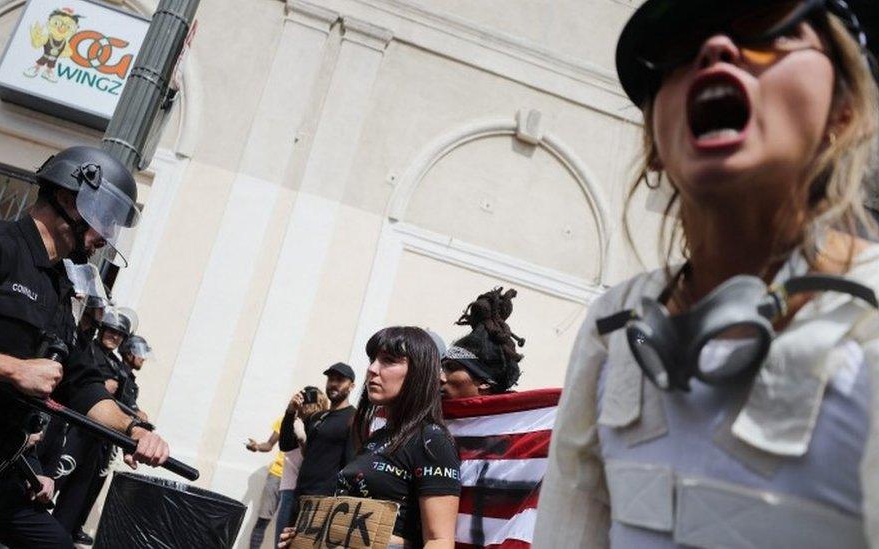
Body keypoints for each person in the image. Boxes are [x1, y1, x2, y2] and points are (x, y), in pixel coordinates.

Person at [536, 1, 879, 547]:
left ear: (843, 110)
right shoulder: (613, 323)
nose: (715, 48)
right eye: (680, 42)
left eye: (766, 26)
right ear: (652, 142)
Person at [0, 145, 170, 548]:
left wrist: (133, 430)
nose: (105, 237)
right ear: (66, 197)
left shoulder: (58, 293)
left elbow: (82, 384)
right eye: (104, 218)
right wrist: (11, 368)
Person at [280, 327, 461, 548]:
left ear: (419, 372)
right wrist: (309, 534)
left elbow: (439, 540)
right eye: (373, 359)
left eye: (389, 360)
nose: (373, 369)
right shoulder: (376, 437)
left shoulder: (432, 441)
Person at [50, 306, 139, 545]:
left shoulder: (117, 365)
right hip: (76, 428)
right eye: (110, 330)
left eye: (119, 334)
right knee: (57, 476)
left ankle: (61, 534)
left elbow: (122, 401)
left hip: (99, 436)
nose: (114, 336)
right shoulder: (89, 350)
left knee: (80, 491)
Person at [277, 363, 356, 525]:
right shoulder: (317, 417)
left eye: (340, 380)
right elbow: (285, 445)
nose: (334, 383)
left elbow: (351, 465)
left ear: (351, 386)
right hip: (299, 495)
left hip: (323, 502)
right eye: (331, 379)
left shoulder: (353, 419)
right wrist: (290, 411)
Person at [440, 287, 525, 399]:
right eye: (443, 367)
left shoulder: (519, 417)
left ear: (485, 383)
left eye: (452, 368)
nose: (440, 377)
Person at [274, 390, 328, 546]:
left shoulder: (319, 426)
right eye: (303, 402)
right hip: (290, 490)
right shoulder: (296, 423)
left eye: (309, 403)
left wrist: (303, 437)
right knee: (282, 542)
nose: (305, 406)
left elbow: (315, 457)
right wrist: (291, 411)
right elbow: (284, 444)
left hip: (306, 492)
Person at [245, 417, 284, 549]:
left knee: (289, 525)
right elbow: (269, 445)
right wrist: (256, 447)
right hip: (277, 475)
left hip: (298, 479)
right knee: (263, 520)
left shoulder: (314, 421)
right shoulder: (285, 419)